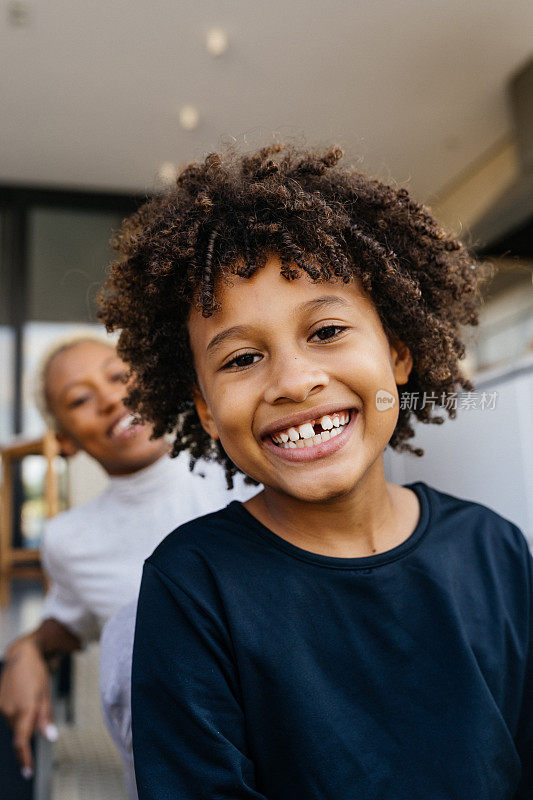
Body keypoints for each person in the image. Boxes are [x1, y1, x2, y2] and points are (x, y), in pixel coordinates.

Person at [98, 142, 533, 799]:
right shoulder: (192, 586)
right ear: (206, 412)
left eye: (326, 331)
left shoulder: (494, 548)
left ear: (397, 355)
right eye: (241, 359)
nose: (295, 381)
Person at [0, 332, 257, 789]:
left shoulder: (244, 468)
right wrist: (28, 649)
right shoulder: (69, 540)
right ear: (65, 440)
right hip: (175, 766)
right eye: (80, 399)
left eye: (119, 377)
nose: (111, 400)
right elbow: (70, 620)